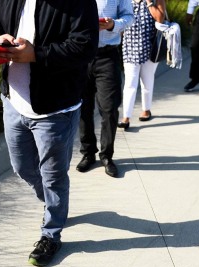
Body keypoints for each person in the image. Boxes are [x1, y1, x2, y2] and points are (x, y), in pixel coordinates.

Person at [0, 0, 99, 266]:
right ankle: (53, 204)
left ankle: (51, 233)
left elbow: (84, 46)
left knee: (53, 177)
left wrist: (36, 54)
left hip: (55, 108)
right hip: (13, 101)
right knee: (22, 167)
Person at [76, 0, 134, 178]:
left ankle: (107, 156)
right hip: (80, 55)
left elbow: (129, 17)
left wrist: (113, 25)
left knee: (109, 109)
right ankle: (88, 153)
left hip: (107, 56)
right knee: (83, 107)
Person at [118, 0, 167, 131]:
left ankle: (146, 109)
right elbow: (120, 21)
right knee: (130, 83)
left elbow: (160, 18)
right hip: (130, 47)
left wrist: (149, 2)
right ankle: (126, 118)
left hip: (151, 47)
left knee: (147, 81)